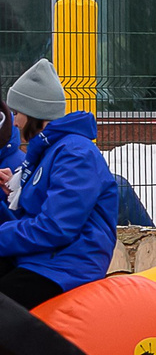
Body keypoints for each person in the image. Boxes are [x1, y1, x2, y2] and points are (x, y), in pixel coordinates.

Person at [0, 59, 117, 311]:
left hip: (67, 265)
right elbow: (35, 214)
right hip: (46, 259)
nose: (15, 123)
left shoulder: (75, 153)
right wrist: (7, 192)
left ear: (34, 113)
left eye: (17, 113)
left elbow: (55, 227)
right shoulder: (50, 150)